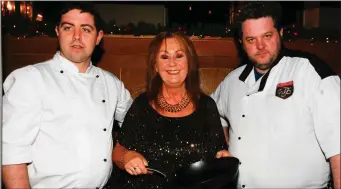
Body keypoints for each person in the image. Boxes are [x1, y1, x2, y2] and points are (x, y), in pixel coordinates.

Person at [2, 3, 133, 189]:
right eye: (68, 28)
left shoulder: (111, 83)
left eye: (86, 29)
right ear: (58, 32)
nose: (76, 37)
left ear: (99, 37)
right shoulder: (30, 79)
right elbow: (12, 153)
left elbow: (136, 120)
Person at [211, 2, 340, 189]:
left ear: (280, 33)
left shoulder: (310, 71)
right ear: (241, 42)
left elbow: (338, 147)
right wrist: (221, 145)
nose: (260, 46)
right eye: (251, 39)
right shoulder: (233, 80)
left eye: (267, 36)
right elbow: (210, 112)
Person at [110, 31, 231, 189]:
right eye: (164, 57)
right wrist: (127, 157)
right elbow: (118, 150)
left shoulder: (207, 106)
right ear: (155, 65)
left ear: (190, 62)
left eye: (179, 56)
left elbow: (219, 152)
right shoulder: (142, 104)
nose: (172, 63)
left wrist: (222, 159)